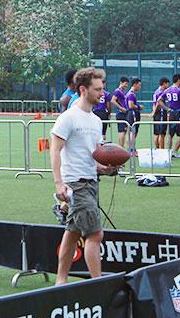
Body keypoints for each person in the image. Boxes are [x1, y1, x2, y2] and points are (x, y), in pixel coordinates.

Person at [51, 68, 119, 286]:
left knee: (72, 233)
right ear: (83, 89)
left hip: (90, 181)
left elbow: (95, 156)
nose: (102, 93)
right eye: (98, 89)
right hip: (75, 183)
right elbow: (55, 149)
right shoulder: (68, 117)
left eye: (103, 88)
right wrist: (59, 183)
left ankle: (60, 281)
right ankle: (97, 285)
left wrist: (107, 168)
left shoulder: (96, 120)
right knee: (95, 235)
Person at [158, 74, 180, 158]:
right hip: (179, 112)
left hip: (171, 113)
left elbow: (159, 100)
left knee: (170, 134)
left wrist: (166, 108)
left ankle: (169, 153)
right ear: (179, 80)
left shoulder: (167, 90)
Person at [109, 77, 130, 146]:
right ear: (121, 82)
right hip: (121, 114)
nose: (126, 86)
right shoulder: (117, 91)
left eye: (127, 84)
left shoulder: (122, 91)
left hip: (124, 113)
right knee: (122, 131)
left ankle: (122, 147)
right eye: (125, 84)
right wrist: (121, 108)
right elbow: (113, 100)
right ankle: (121, 148)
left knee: (124, 131)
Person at [151, 77, 170, 149]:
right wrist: (155, 111)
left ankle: (157, 149)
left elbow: (154, 103)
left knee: (156, 133)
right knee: (161, 134)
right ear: (164, 83)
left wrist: (154, 112)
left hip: (157, 114)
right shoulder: (161, 92)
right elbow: (158, 103)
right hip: (161, 113)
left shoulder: (156, 91)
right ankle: (161, 150)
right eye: (167, 84)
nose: (168, 86)